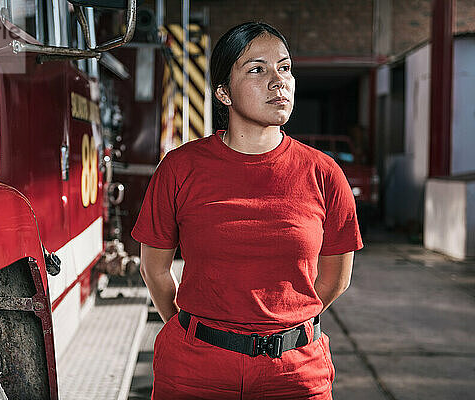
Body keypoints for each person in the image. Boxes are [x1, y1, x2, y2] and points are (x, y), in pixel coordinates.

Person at [131, 21, 363, 400]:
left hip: (294, 374)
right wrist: (195, 332)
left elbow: (336, 279)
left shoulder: (323, 173)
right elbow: (153, 268)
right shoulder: (180, 167)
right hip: (195, 371)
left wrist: (284, 322)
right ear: (223, 93)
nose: (278, 81)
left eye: (285, 68)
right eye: (257, 69)